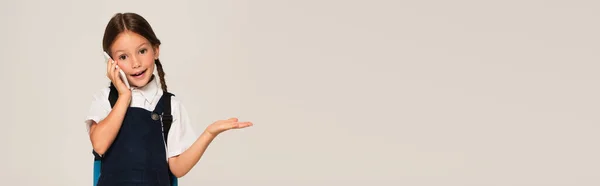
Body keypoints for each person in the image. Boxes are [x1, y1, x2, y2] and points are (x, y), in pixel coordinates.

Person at [84, 12, 253, 186]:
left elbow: (177, 168)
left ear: (155, 50)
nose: (136, 63)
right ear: (111, 62)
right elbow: (99, 145)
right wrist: (124, 96)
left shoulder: (169, 106)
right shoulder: (106, 100)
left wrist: (209, 133)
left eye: (142, 51)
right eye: (123, 57)